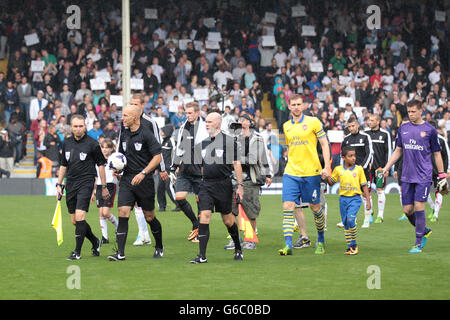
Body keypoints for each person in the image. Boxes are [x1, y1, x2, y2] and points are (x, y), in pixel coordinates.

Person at [382, 100, 447, 253]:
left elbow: (437, 154)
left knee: (419, 207)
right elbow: (398, 150)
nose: (410, 114)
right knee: (407, 210)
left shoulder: (430, 130)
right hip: (406, 175)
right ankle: (424, 230)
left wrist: (442, 175)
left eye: (413, 111)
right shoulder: (403, 128)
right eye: (409, 111)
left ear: (421, 111)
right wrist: (386, 167)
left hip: (424, 175)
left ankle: (418, 242)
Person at [108, 105, 163, 261]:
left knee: (149, 216)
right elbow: (121, 156)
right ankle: (120, 253)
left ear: (135, 117)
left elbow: (157, 157)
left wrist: (143, 173)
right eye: (122, 115)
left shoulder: (146, 134)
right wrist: (119, 169)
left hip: (144, 181)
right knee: (123, 212)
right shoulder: (123, 133)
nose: (122, 118)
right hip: (127, 180)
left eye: (125, 115)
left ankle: (159, 246)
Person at [279, 94, 331, 256]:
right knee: (288, 206)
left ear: (303, 106)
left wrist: (327, 166)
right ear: (289, 106)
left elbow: (324, 143)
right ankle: (288, 245)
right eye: (293, 104)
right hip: (291, 172)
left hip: (311, 173)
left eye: (298, 104)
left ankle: (321, 239)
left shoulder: (313, 122)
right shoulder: (286, 126)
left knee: (315, 208)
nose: (296, 107)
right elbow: (291, 148)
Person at [189, 112, 244, 263]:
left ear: (218, 124)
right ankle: (202, 256)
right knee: (205, 216)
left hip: (223, 185)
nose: (206, 124)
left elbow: (236, 164)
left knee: (228, 220)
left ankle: (238, 248)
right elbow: (201, 166)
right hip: (206, 185)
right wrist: (200, 186)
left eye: (210, 122)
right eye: (206, 121)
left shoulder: (229, 141)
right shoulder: (204, 143)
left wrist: (240, 186)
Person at [56, 114, 110, 260]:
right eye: (75, 126)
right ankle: (95, 241)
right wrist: (59, 184)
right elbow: (63, 165)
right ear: (71, 127)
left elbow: (101, 165)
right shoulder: (66, 143)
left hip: (86, 183)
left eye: (81, 126)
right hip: (71, 184)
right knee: (75, 221)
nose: (78, 129)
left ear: (85, 126)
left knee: (80, 216)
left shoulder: (92, 144)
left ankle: (77, 252)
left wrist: (103, 186)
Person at [225, 113, 273, 250]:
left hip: (250, 178)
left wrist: (235, 159)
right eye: (239, 120)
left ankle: (250, 239)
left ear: (251, 123)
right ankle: (235, 239)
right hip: (234, 178)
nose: (241, 122)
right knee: (231, 211)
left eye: (245, 120)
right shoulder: (233, 137)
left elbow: (254, 159)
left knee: (250, 211)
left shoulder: (256, 138)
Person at [128, 93, 168, 246]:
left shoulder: (150, 123)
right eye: (131, 104)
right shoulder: (127, 122)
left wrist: (162, 168)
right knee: (135, 205)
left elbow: (158, 147)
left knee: (146, 208)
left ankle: (147, 234)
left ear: (143, 105)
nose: (133, 107)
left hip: (147, 169)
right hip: (132, 169)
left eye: (136, 104)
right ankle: (143, 234)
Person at [171, 102, 209, 242]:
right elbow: (179, 148)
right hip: (185, 169)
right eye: (186, 113)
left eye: (190, 113)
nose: (188, 115)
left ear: (197, 113)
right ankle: (195, 222)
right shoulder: (183, 127)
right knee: (179, 198)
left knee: (201, 201)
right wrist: (174, 164)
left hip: (200, 170)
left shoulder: (205, 127)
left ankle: (200, 231)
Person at [327, 146, 371, 255]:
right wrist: (325, 176)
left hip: (355, 199)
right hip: (343, 200)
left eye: (354, 155)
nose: (353, 158)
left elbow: (364, 185)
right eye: (350, 156)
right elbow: (331, 182)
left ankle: (354, 244)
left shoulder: (359, 169)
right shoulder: (338, 169)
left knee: (351, 220)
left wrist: (368, 201)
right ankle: (349, 247)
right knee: (346, 223)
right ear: (343, 157)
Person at [340, 116, 373, 228]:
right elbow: (343, 156)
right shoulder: (346, 139)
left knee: (365, 194)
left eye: (353, 126)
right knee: (349, 194)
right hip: (349, 172)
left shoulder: (365, 137)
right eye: (349, 127)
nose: (351, 128)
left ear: (357, 125)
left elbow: (369, 153)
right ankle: (350, 218)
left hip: (362, 171)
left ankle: (367, 219)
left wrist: (362, 167)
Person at [364, 114, 392, 223]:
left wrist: (386, 168)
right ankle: (370, 212)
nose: (369, 122)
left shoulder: (385, 134)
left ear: (378, 121)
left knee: (380, 190)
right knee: (366, 192)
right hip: (367, 168)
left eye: (372, 120)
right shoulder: (365, 133)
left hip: (380, 168)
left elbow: (389, 151)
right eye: (369, 120)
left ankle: (380, 215)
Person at [91, 138, 119, 244]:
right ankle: (105, 237)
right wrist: (93, 190)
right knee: (101, 214)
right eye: (102, 147)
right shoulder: (98, 159)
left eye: (107, 147)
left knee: (106, 212)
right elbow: (96, 176)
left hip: (110, 186)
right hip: (99, 187)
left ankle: (119, 228)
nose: (104, 150)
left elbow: (120, 173)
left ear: (112, 148)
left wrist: (117, 174)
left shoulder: (115, 159)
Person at [426, 121, 449, 222]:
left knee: (439, 192)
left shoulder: (441, 140)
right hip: (425, 170)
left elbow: (446, 156)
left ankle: (435, 214)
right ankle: (432, 207)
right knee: (423, 192)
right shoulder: (423, 140)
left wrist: (445, 171)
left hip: (438, 172)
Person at [156, 125, 178, 212]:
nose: (161, 133)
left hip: (170, 169)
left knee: (169, 187)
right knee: (160, 188)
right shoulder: (163, 141)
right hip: (163, 169)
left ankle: (179, 205)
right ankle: (162, 206)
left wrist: (175, 166)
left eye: (162, 131)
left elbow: (176, 152)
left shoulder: (171, 140)